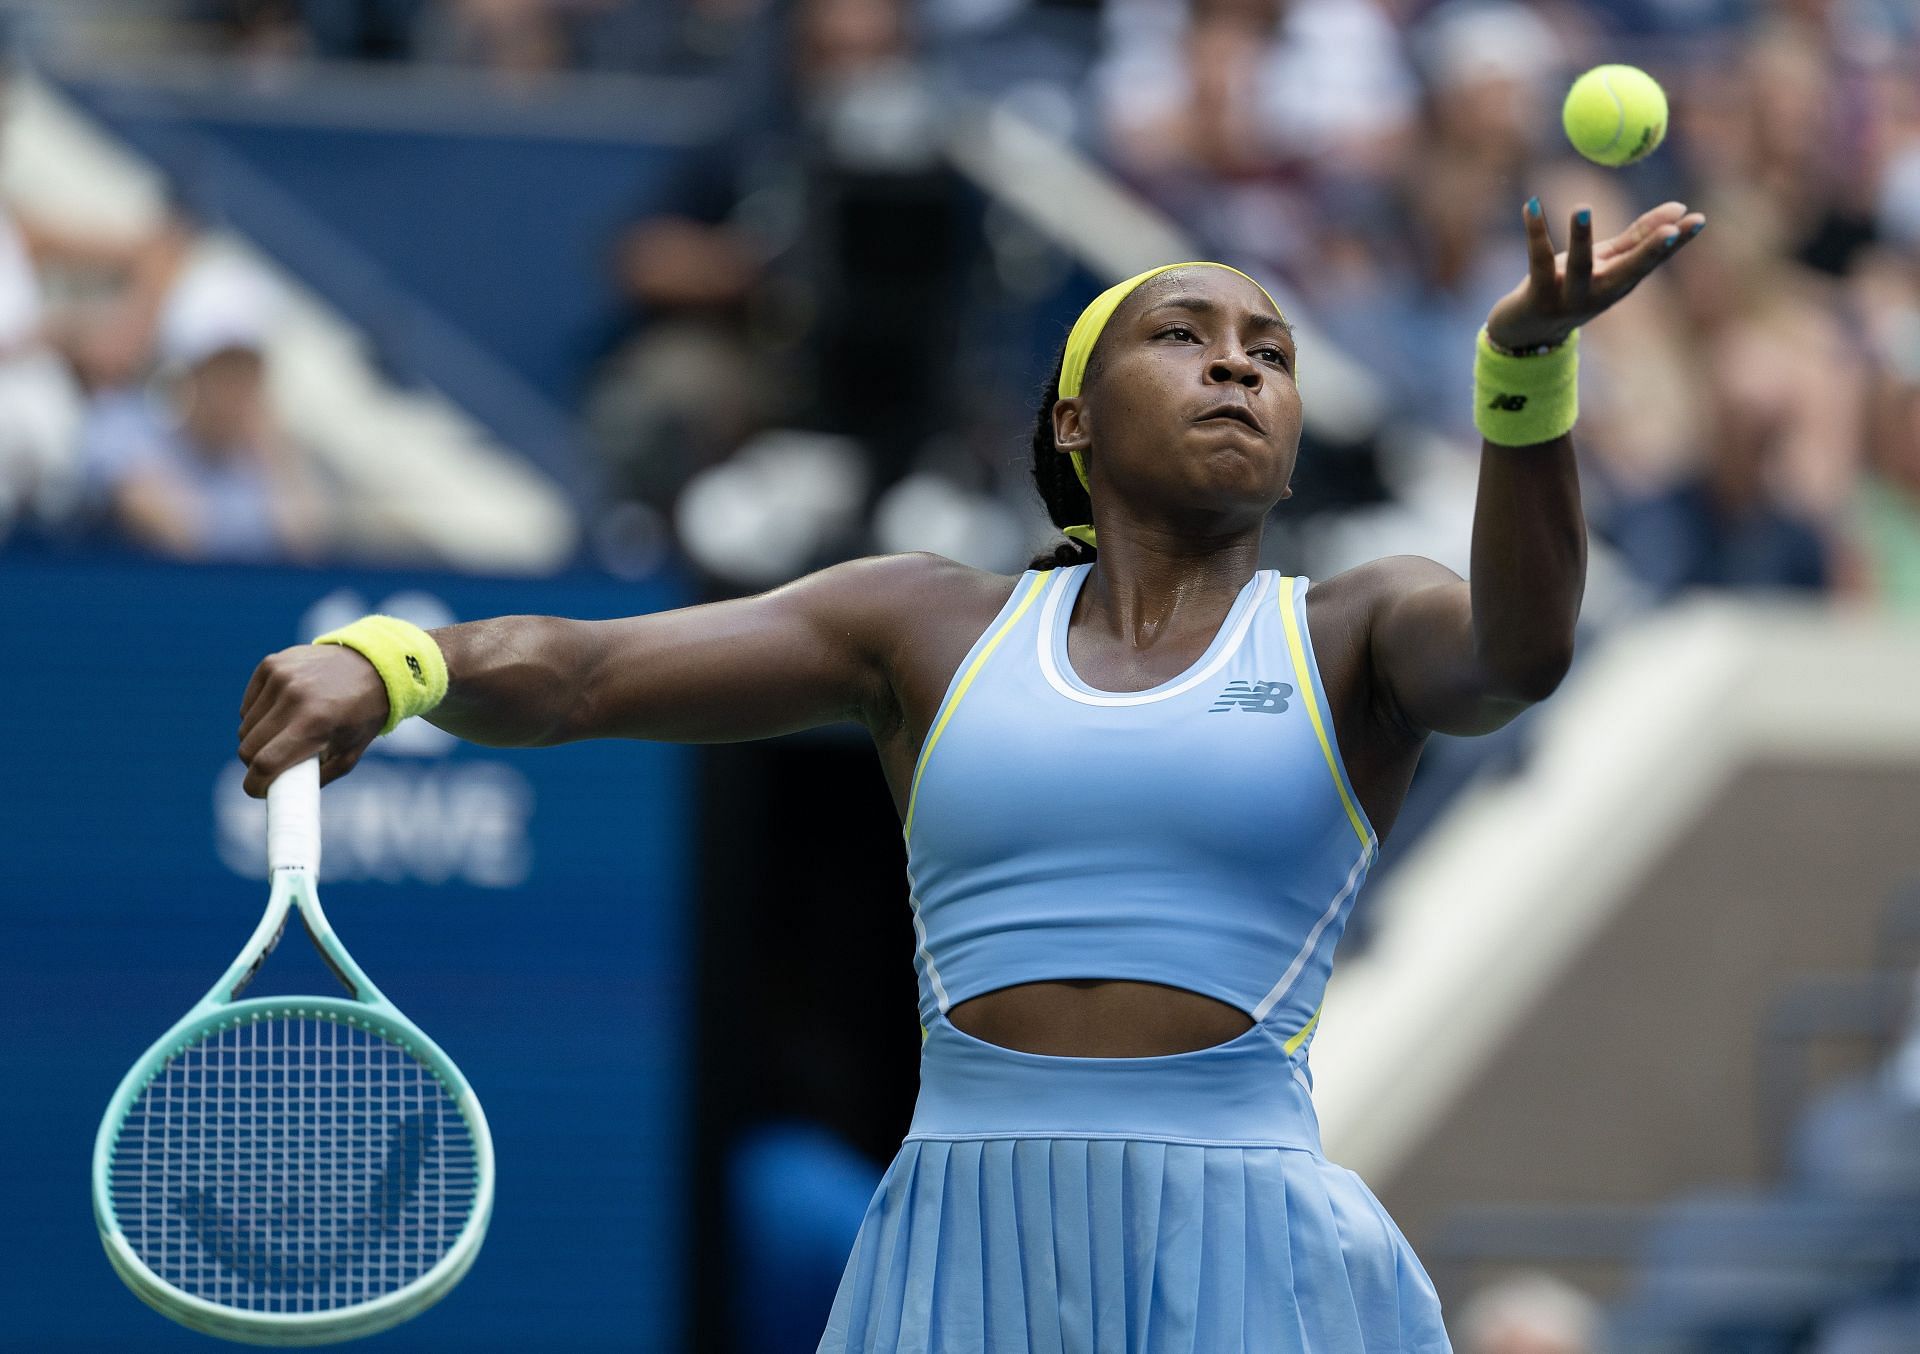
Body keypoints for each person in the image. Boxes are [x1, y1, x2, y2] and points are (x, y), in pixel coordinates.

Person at [235, 193, 1705, 1349]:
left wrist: (1523, 375)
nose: (1239, 364)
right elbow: (590, 674)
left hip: (1254, 1247)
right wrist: (397, 660)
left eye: (1270, 351)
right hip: (963, 1235)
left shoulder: (1357, 626)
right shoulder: (921, 625)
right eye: (1183, 336)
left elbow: (1522, 648)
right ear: (1073, 419)